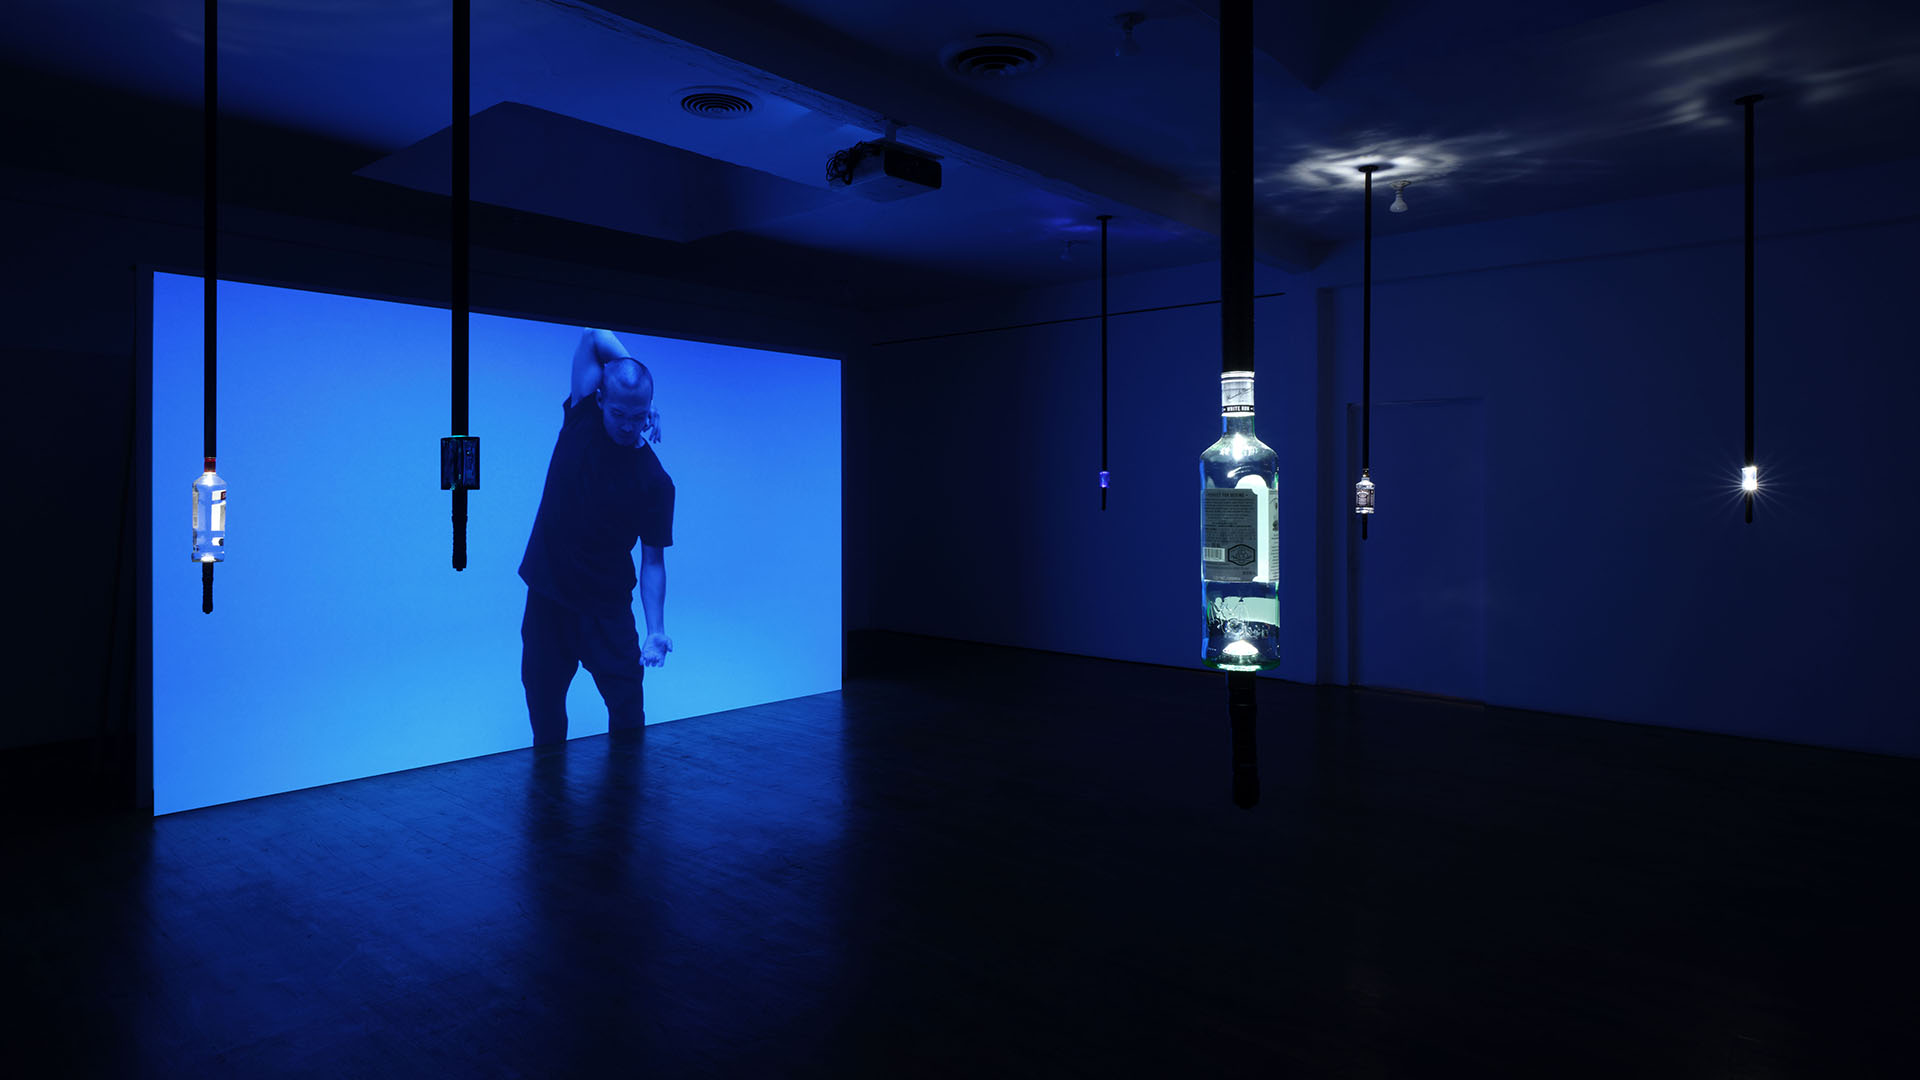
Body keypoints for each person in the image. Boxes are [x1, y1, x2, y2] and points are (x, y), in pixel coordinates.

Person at [517, 327, 675, 745]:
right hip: (548, 598)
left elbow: (653, 561)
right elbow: (594, 337)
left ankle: (626, 803)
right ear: (602, 399)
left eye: (638, 416)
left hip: (606, 608)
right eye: (619, 413)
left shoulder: (656, 481)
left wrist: (655, 629)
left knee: (627, 712)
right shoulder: (582, 415)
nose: (628, 426)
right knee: (544, 706)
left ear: (648, 412)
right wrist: (639, 382)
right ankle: (549, 800)